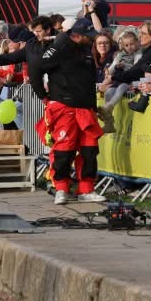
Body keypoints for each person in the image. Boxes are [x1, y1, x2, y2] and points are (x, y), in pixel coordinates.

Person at [39, 17, 107, 205]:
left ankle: (86, 189)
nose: (91, 38)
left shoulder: (87, 52)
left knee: (89, 150)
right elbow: (40, 65)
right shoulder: (60, 49)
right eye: (87, 35)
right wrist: (43, 95)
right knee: (64, 150)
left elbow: (90, 82)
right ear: (76, 35)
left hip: (85, 109)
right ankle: (61, 188)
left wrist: (94, 108)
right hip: (64, 108)